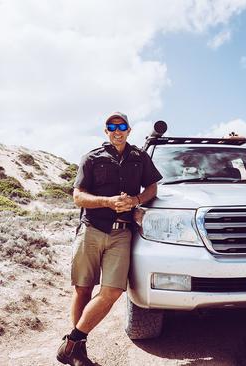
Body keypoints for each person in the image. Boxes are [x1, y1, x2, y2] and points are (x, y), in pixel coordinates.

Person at [56, 112, 162, 366]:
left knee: (113, 291)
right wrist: (107, 202)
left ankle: (71, 341)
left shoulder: (140, 157)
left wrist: (136, 201)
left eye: (121, 126)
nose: (117, 130)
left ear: (129, 129)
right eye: (111, 126)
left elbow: (153, 188)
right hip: (91, 228)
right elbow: (78, 196)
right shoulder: (91, 158)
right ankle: (79, 352)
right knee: (83, 289)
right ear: (105, 131)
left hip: (121, 233)